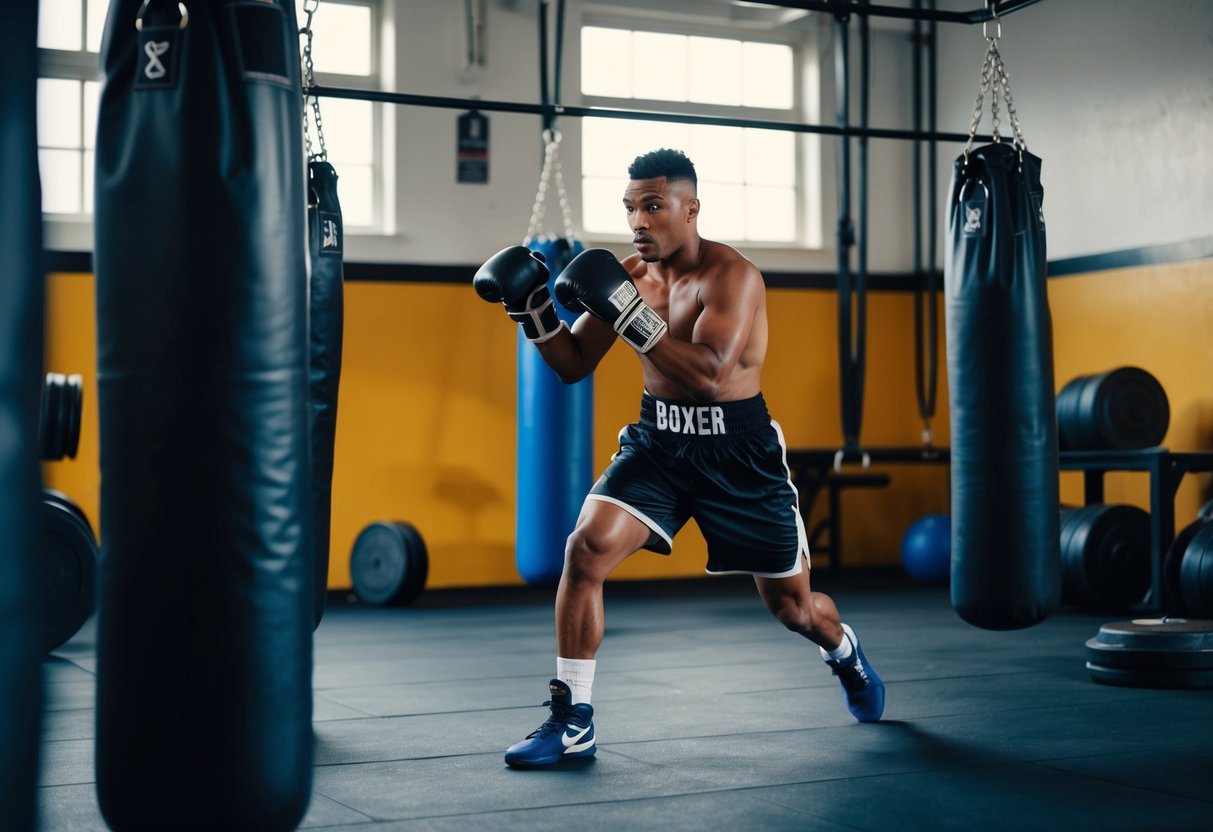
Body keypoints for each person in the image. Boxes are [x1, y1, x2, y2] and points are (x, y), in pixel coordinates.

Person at [473, 148, 884, 769]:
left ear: (691, 209)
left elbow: (712, 377)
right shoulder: (631, 276)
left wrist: (626, 313)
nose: (639, 221)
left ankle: (843, 651)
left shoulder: (733, 277)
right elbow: (573, 366)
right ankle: (572, 717)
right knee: (584, 550)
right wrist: (532, 313)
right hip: (659, 443)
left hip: (739, 454)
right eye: (631, 208)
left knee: (795, 609)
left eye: (654, 207)